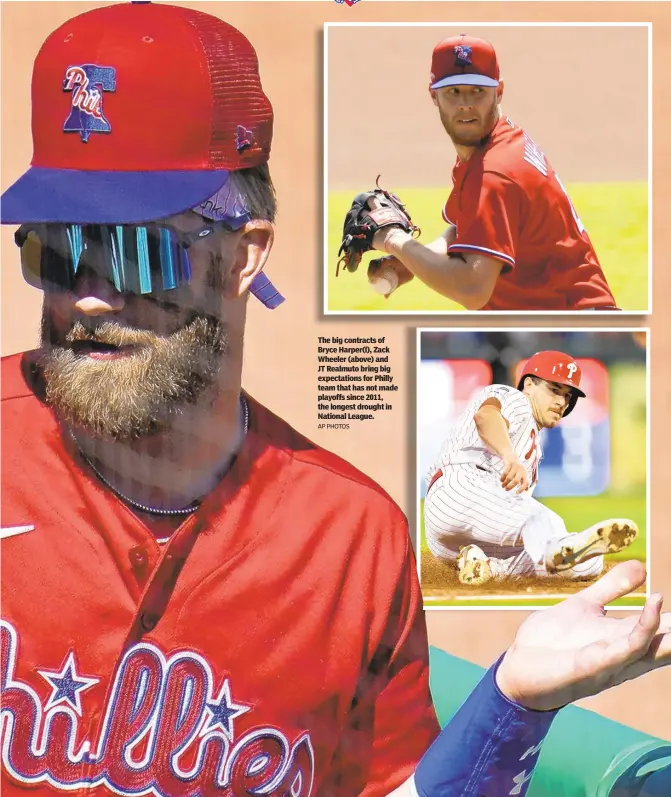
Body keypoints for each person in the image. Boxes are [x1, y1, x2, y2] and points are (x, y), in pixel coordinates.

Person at [1, 5, 669, 797]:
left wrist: (511, 704)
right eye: (56, 247)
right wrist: (395, 257)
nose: (88, 298)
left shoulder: (351, 542)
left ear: (244, 256)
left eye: (137, 251)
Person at [366, 34, 619, 311]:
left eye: (478, 91)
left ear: (498, 92)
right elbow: (469, 228)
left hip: (570, 323)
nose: (465, 104)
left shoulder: (495, 172)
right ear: (433, 95)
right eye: (453, 92)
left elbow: (472, 289)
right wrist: (415, 261)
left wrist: (393, 239)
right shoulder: (494, 143)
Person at [424, 350, 638, 585]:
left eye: (567, 396)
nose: (561, 402)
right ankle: (557, 545)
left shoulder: (532, 445)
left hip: (455, 542)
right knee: (542, 519)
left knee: (588, 565)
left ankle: (484, 566)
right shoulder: (515, 398)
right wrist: (510, 457)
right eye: (554, 390)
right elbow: (485, 417)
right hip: (459, 490)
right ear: (529, 384)